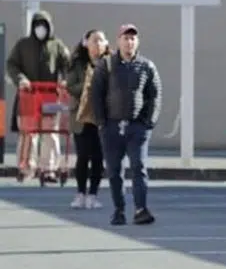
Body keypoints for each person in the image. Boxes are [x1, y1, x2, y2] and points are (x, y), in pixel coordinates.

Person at [91, 24, 162, 226]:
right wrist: (102, 123)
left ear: (137, 42)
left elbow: (155, 95)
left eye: (133, 38)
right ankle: (119, 210)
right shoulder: (106, 65)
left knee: (139, 167)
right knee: (114, 171)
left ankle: (141, 209)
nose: (129, 42)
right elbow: (96, 95)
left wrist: (148, 123)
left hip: (137, 127)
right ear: (118, 41)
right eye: (126, 38)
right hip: (112, 127)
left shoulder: (146, 66)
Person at [6, 10, 70, 181]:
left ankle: (49, 168)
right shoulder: (23, 45)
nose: (40, 29)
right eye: (37, 25)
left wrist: (65, 80)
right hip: (28, 96)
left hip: (51, 96)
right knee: (28, 132)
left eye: (44, 25)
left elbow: (67, 64)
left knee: (51, 132)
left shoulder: (57, 45)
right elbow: (12, 64)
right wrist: (21, 79)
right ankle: (26, 167)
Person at [66, 29, 110, 209]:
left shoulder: (110, 63)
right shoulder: (78, 63)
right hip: (81, 116)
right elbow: (70, 86)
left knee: (98, 156)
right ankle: (80, 193)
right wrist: (87, 85)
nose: (98, 44)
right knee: (83, 155)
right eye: (94, 40)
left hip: (101, 116)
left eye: (101, 40)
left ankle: (93, 194)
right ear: (86, 44)